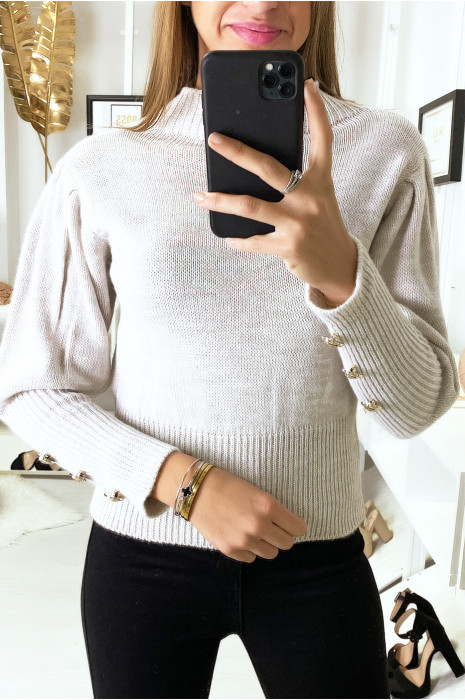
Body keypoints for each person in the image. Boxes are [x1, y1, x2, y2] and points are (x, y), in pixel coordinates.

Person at [0, 1, 459, 698]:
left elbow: (416, 407)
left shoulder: (386, 153)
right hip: (144, 557)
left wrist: (342, 276)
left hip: (319, 557)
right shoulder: (102, 166)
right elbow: (32, 384)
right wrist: (183, 484)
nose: (263, 2)